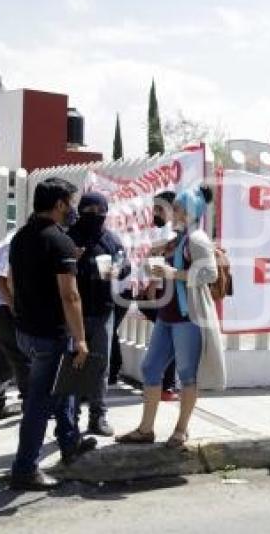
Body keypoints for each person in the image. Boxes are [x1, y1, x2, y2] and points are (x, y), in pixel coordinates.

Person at [116, 185, 226, 448]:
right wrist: (156, 267)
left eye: (176, 207)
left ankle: (180, 430)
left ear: (190, 211)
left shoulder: (196, 239)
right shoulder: (179, 237)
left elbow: (209, 274)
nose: (171, 211)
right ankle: (146, 429)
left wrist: (172, 274)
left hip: (188, 317)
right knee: (150, 368)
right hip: (168, 315)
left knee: (187, 375)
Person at [9, 177, 96, 491]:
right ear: (59, 204)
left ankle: (69, 442)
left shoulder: (21, 237)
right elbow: (70, 296)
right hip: (49, 335)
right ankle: (24, 468)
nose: (73, 209)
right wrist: (82, 339)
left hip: (27, 331)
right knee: (40, 402)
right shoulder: (59, 242)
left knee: (64, 387)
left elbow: (15, 282)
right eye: (71, 202)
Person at [68, 192, 129, 436]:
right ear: (80, 211)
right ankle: (71, 419)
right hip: (74, 311)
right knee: (73, 367)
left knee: (100, 366)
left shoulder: (111, 239)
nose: (94, 215)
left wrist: (119, 269)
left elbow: (126, 265)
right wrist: (74, 260)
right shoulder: (69, 237)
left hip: (103, 310)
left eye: (99, 211)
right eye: (88, 210)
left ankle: (98, 416)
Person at [109, 190, 178, 400]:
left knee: (166, 339)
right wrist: (150, 286)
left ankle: (162, 385)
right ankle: (165, 387)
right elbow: (156, 258)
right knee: (169, 339)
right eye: (154, 208)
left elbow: (156, 257)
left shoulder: (168, 231)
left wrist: (150, 285)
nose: (155, 212)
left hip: (156, 292)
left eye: (159, 208)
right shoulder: (166, 231)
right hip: (157, 293)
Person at [0, 230, 29, 423]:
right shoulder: (17, 239)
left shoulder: (18, 237)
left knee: (4, 358)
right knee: (21, 357)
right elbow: (3, 278)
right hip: (4, 306)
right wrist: (15, 308)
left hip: (1, 305)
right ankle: (33, 405)